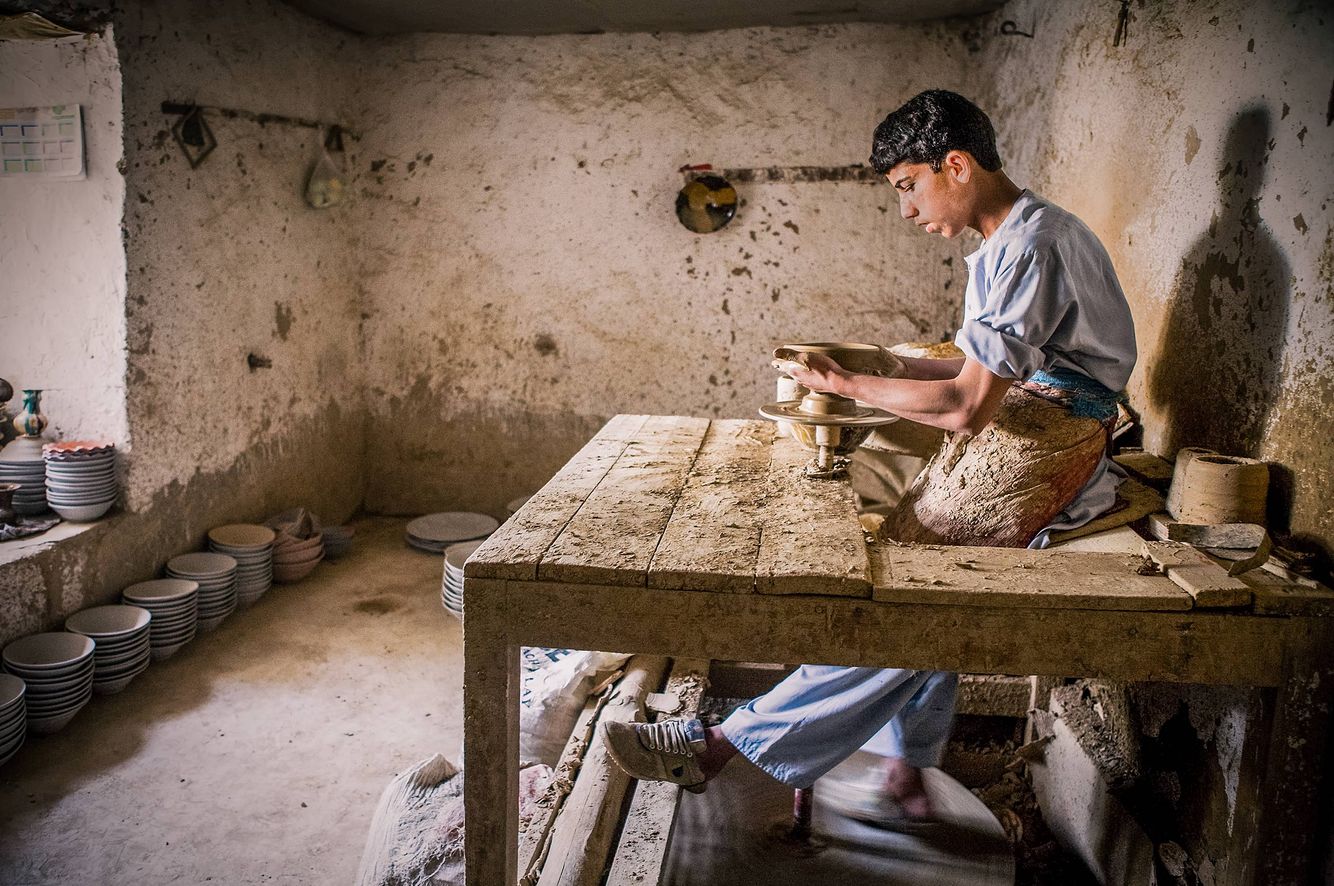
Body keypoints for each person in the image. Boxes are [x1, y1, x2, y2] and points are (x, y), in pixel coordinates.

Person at [603, 89, 1137, 822]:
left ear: (955, 165)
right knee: (916, 571)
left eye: (907, 187)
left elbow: (965, 406)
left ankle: (721, 744)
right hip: (1028, 417)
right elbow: (967, 372)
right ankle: (907, 762)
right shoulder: (1006, 243)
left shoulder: (1033, 246)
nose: (907, 210)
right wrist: (872, 362)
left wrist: (849, 383)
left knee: (911, 591)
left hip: (1057, 438)